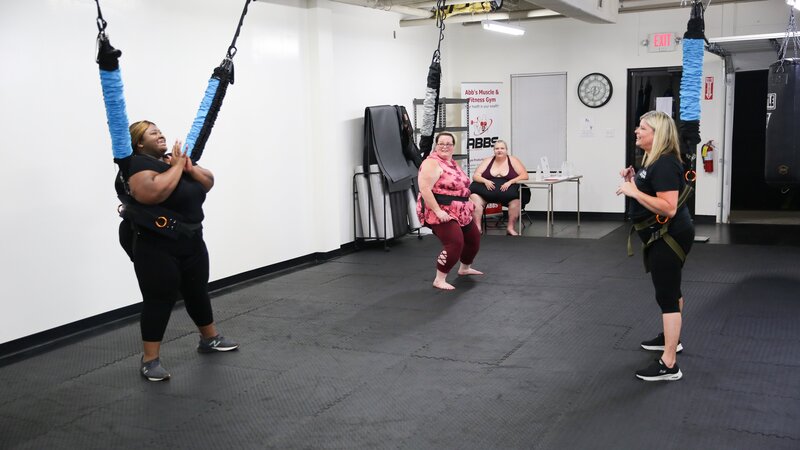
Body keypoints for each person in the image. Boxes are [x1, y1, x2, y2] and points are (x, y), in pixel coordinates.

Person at [98, 39, 237, 382]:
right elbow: (151, 193)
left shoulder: (175, 161)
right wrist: (178, 167)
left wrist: (188, 167)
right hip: (155, 245)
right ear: (138, 143)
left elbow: (208, 181)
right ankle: (150, 360)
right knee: (159, 298)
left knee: (196, 290)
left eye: (160, 130)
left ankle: (210, 338)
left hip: (191, 241)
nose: (159, 134)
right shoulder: (134, 165)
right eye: (151, 133)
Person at [616, 111, 694, 382]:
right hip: (664, 233)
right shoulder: (654, 161)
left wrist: (634, 191)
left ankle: (669, 364)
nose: (637, 131)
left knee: (667, 295)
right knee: (671, 289)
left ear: (657, 134)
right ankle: (671, 339)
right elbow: (654, 191)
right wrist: (635, 180)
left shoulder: (663, 163)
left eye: (643, 128)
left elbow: (669, 208)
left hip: (669, 235)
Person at [417, 132, 483, 290]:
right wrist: (438, 211)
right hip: (440, 210)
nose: (444, 146)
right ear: (436, 145)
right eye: (441, 143)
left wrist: (470, 202)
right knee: (455, 243)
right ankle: (439, 279)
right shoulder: (431, 163)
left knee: (473, 239)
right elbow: (425, 189)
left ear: (453, 146)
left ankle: (464, 268)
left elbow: (461, 187)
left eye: (448, 144)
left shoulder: (451, 162)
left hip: (461, 210)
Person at [468, 140, 530, 235]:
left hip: (509, 195)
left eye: (502, 148)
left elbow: (524, 175)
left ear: (506, 150)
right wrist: (485, 181)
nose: (499, 150)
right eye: (497, 148)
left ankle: (510, 228)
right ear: (494, 150)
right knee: (474, 198)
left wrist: (510, 182)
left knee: (516, 202)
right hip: (486, 194)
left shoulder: (513, 160)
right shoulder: (487, 160)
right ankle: (477, 228)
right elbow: (476, 176)